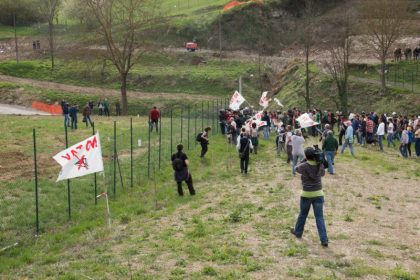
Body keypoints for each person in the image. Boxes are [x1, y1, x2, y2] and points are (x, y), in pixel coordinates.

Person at [290, 147, 328, 247]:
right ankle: (324, 240)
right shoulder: (320, 165)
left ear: (306, 156)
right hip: (318, 194)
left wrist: (304, 159)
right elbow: (323, 174)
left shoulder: (304, 166)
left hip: (306, 194)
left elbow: (295, 168)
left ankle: (298, 232)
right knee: (319, 217)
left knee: (303, 214)